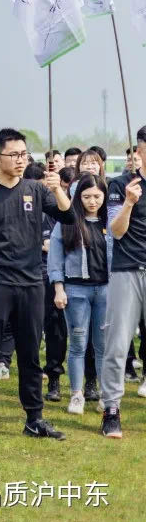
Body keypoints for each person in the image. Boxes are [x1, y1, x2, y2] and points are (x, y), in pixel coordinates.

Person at [0, 128, 73, 442]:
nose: (21, 160)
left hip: (31, 282)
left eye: (24, 154)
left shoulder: (36, 190)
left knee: (30, 355)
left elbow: (68, 217)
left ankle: (34, 418)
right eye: (14, 154)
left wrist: (58, 190)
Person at [47, 173, 110, 417]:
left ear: (104, 196)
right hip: (76, 290)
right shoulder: (67, 221)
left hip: (105, 290)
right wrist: (58, 288)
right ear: (77, 197)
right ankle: (76, 394)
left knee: (103, 345)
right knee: (78, 344)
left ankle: (105, 395)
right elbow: (55, 258)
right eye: (86, 196)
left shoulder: (111, 221)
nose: (92, 201)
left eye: (97, 196)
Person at [99, 126, 146, 438]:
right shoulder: (120, 185)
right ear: (140, 150)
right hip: (126, 270)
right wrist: (129, 202)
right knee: (117, 345)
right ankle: (111, 409)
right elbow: (116, 232)